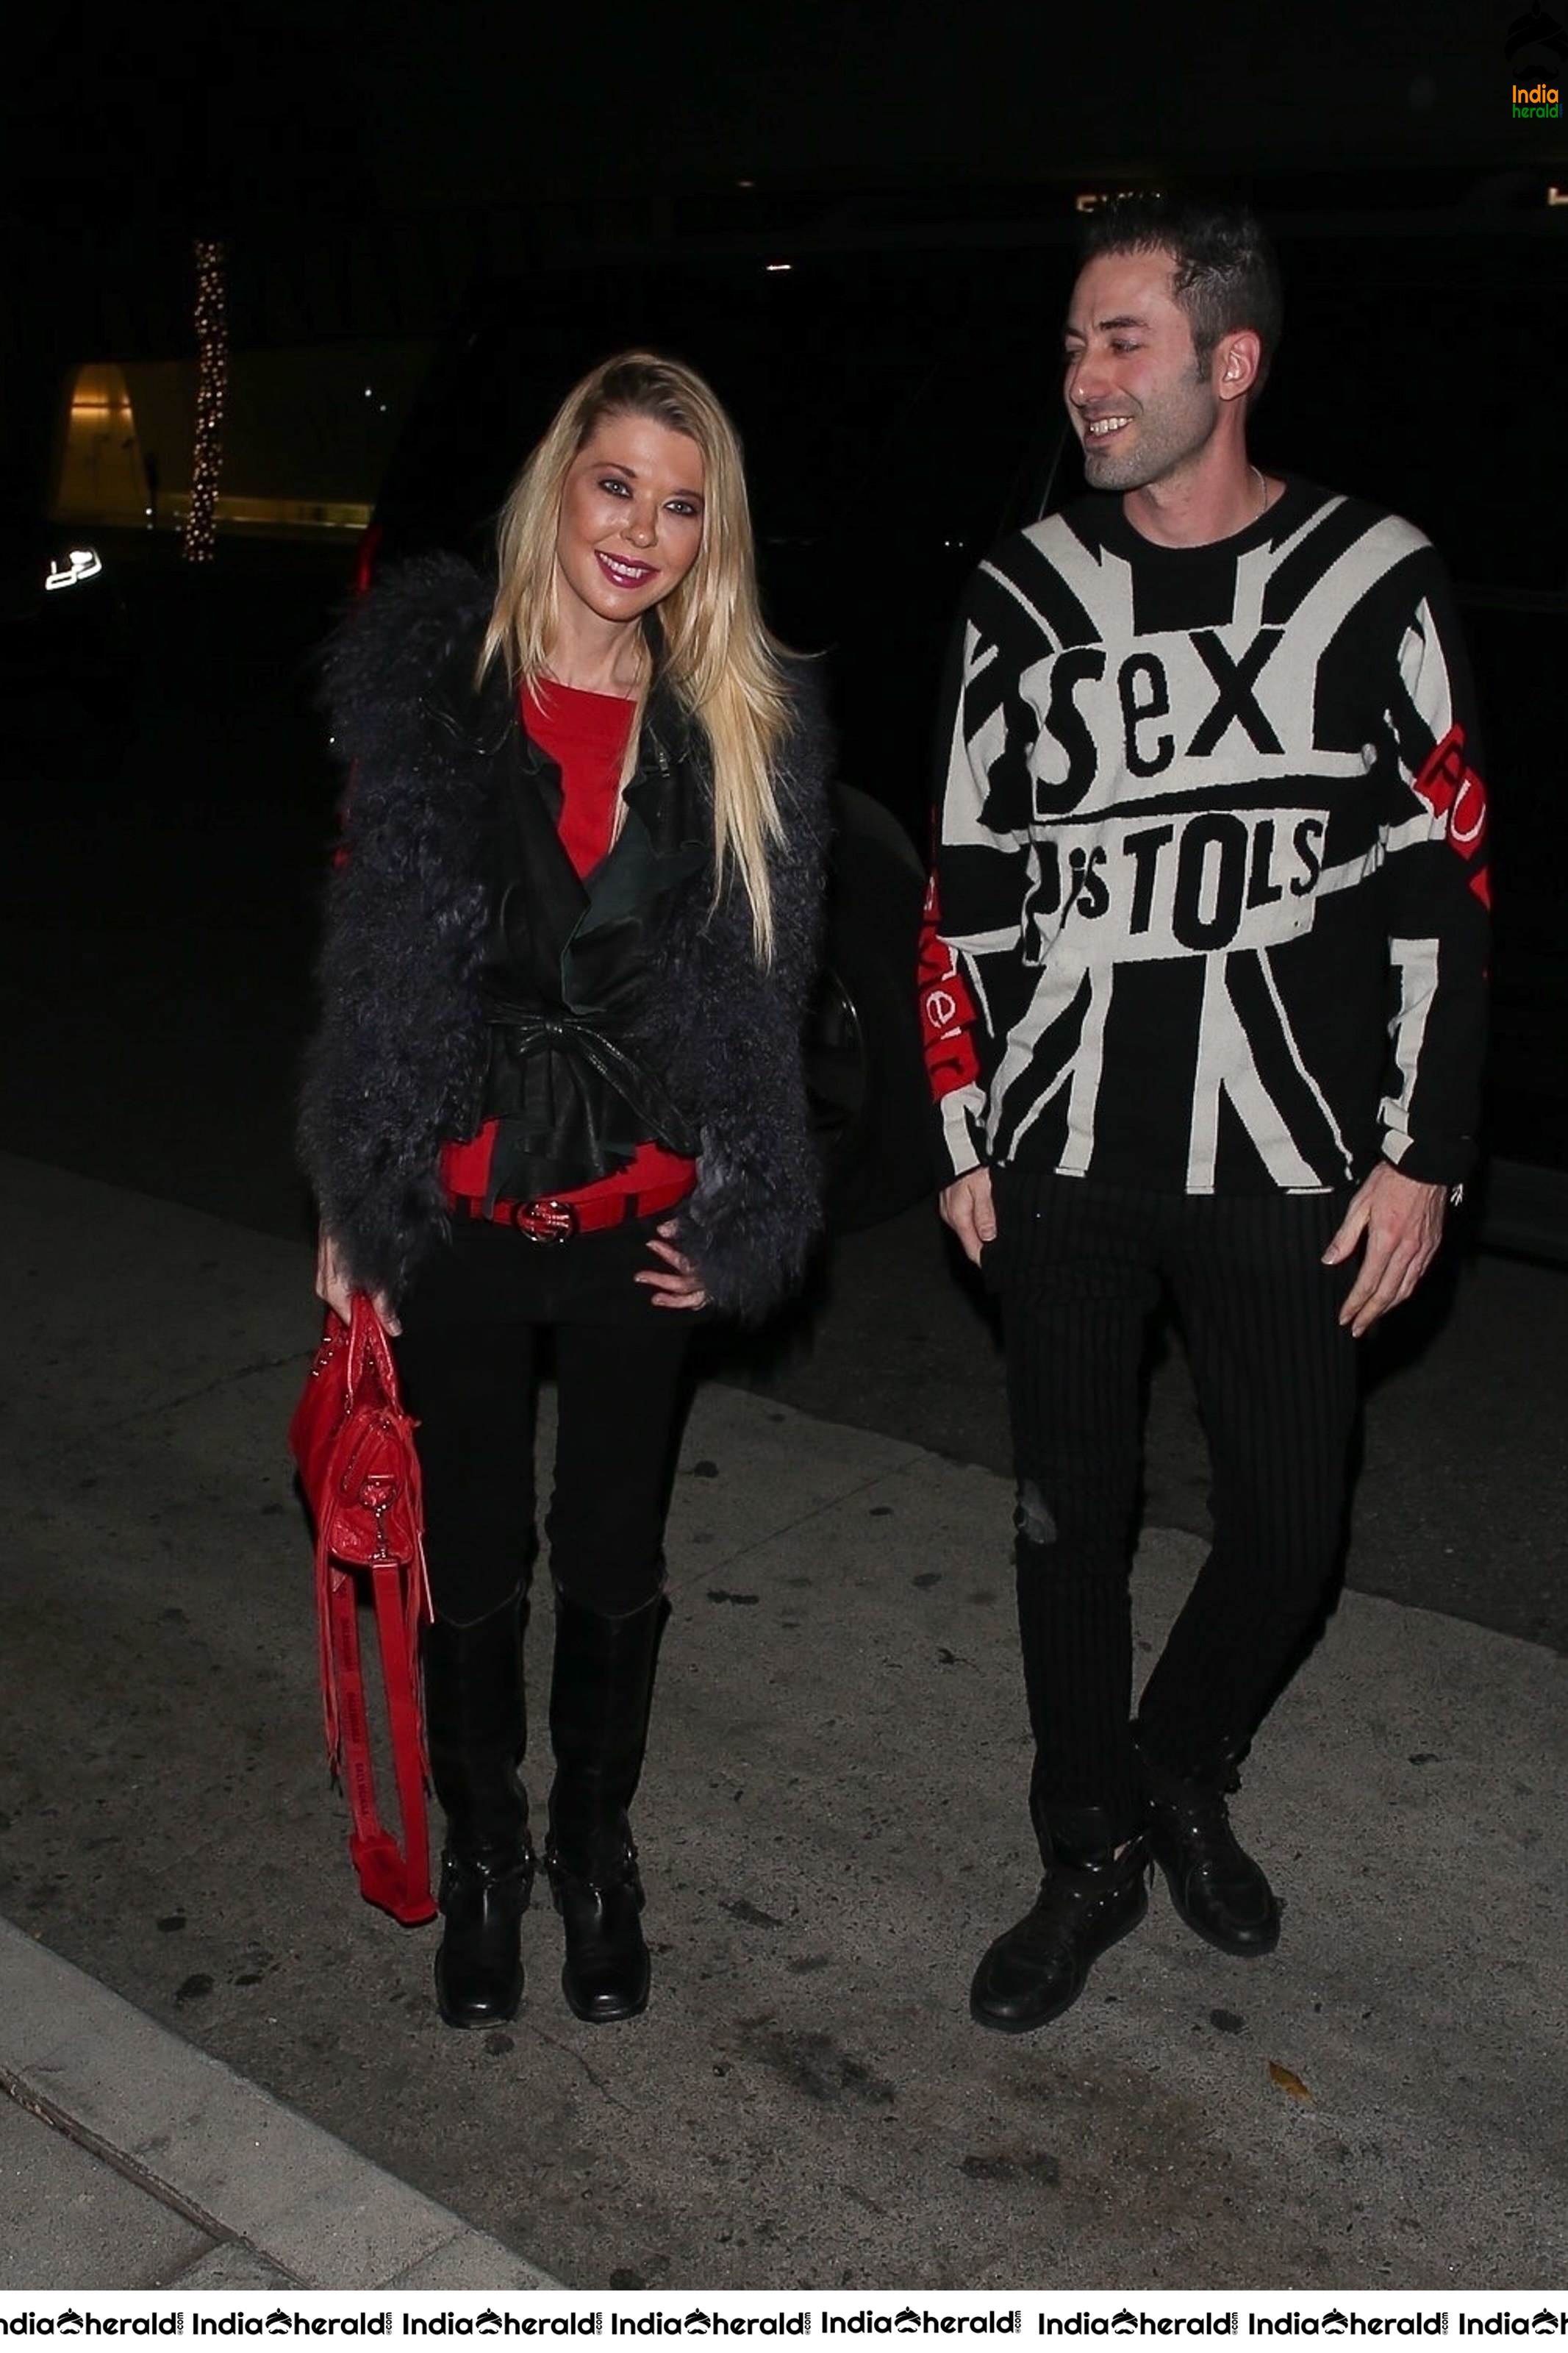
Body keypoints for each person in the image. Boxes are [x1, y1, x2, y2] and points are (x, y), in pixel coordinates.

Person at [918, 199, 1489, 2033]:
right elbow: (965, 881)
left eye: (1121, 343)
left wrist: (1422, 1147)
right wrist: (956, 1124)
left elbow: (1446, 883)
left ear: (1227, 361)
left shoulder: (1373, 575)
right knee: (1058, 1523)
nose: (1082, 379)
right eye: (1073, 344)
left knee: (1291, 1528)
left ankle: (1176, 1760)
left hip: (1291, 1161)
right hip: (1066, 1156)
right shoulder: (1019, 592)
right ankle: (1083, 1842)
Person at [299, 351, 829, 2029]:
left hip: (632, 1222)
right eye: (617, 485)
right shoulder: (434, 691)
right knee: (471, 1549)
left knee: (611, 1548)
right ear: (559, 482)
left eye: (682, 505)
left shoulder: (741, 722)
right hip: (458, 1213)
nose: (643, 530)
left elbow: (770, 983)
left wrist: (744, 1191)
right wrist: (350, 1198)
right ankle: (483, 1856)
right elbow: (370, 954)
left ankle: (595, 1852)